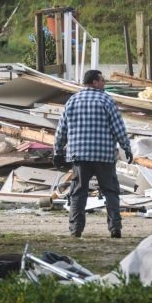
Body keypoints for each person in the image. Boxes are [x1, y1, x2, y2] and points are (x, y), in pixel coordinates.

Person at [53, 69, 133, 238]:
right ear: (95, 82)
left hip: (80, 156)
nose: (104, 83)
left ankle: (76, 230)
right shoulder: (107, 101)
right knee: (110, 191)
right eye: (102, 80)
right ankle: (115, 228)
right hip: (104, 155)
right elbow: (118, 128)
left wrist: (58, 152)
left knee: (78, 192)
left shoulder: (72, 101)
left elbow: (61, 130)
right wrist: (126, 147)